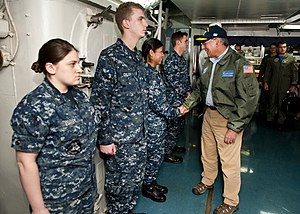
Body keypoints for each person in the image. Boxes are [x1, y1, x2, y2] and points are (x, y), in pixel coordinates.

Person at [10, 38, 98, 213]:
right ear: (51, 68)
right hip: (57, 201)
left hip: (85, 191)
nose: (79, 69)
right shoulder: (33, 106)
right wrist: (38, 209)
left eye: (78, 63)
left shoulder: (79, 97)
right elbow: (25, 162)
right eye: (72, 64)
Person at [180, 25, 259, 214]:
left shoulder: (241, 64)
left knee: (229, 162)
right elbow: (200, 89)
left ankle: (231, 201)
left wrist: (235, 127)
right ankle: (207, 180)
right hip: (208, 115)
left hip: (228, 118)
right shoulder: (208, 62)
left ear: (217, 42)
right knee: (207, 153)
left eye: (206, 43)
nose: (204, 47)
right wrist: (187, 105)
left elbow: (249, 98)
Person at [90, 2, 148, 214]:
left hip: (138, 137)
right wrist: (104, 139)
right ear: (126, 23)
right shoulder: (110, 57)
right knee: (119, 189)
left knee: (133, 186)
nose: (146, 23)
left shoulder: (137, 57)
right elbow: (99, 101)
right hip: (120, 141)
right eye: (140, 19)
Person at [141, 38, 181, 203]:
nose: (163, 55)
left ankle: (151, 181)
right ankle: (147, 186)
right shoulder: (148, 74)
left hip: (158, 123)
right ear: (151, 53)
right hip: (152, 124)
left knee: (156, 156)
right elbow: (157, 104)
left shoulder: (154, 72)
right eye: (160, 52)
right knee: (153, 156)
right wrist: (176, 112)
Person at [163, 31, 192, 163]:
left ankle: (172, 145)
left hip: (182, 99)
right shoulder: (171, 60)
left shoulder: (181, 59)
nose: (187, 44)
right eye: (185, 41)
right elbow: (174, 82)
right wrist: (186, 94)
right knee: (172, 126)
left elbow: (185, 79)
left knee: (178, 126)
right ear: (178, 42)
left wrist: (189, 92)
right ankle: (166, 152)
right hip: (173, 100)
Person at [263, 41, 298, 129]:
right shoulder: (272, 59)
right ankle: (269, 120)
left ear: (286, 48)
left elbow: (294, 72)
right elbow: (268, 72)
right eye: (281, 47)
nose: (282, 49)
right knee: (271, 102)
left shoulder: (291, 59)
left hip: (284, 85)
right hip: (273, 84)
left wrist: (294, 84)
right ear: (277, 48)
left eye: (284, 47)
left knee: (282, 103)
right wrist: (265, 82)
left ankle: (281, 121)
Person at [258, 43, 277, 122]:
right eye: (271, 48)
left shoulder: (278, 59)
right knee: (263, 100)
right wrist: (259, 80)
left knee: (272, 101)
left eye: (274, 48)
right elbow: (261, 70)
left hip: (274, 82)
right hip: (265, 81)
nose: (272, 49)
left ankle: (271, 117)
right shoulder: (266, 58)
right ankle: (262, 117)